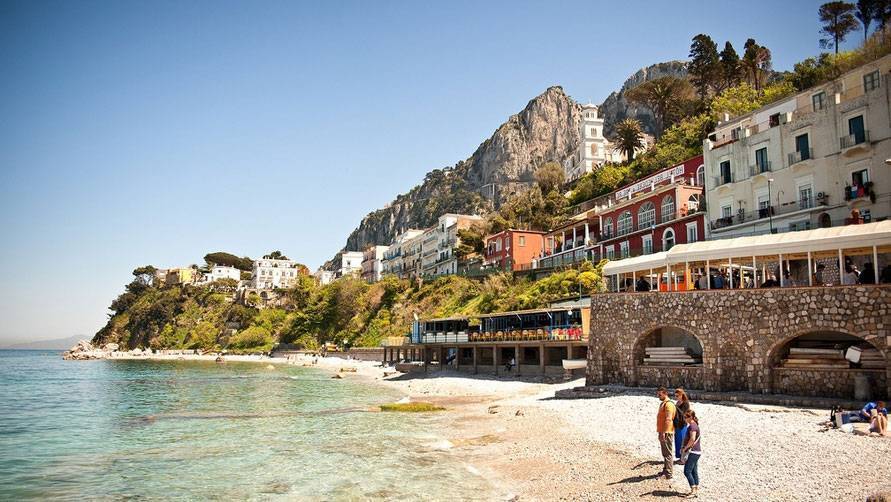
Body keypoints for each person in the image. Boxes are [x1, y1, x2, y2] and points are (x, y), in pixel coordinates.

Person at [655, 387, 676, 479]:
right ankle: (665, 469)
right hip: (663, 431)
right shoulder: (664, 404)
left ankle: (669, 473)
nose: (658, 396)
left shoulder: (669, 405)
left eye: (660, 394)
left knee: (667, 453)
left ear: (665, 393)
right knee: (665, 452)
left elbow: (668, 419)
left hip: (667, 432)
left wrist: (663, 432)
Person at [681, 410, 702, 497]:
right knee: (694, 471)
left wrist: (685, 448)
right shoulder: (694, 425)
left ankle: (693, 489)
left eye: (687, 417)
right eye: (685, 417)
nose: (685, 419)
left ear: (691, 417)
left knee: (687, 471)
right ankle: (696, 488)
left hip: (693, 451)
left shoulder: (692, 426)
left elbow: (692, 439)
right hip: (697, 451)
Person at [674, 388, 691, 463]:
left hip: (682, 424)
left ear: (681, 395)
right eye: (675, 396)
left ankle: (684, 459)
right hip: (677, 424)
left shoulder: (685, 403)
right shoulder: (678, 402)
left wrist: (676, 408)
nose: (676, 397)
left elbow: (683, 413)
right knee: (678, 441)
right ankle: (680, 457)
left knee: (683, 441)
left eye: (677, 396)